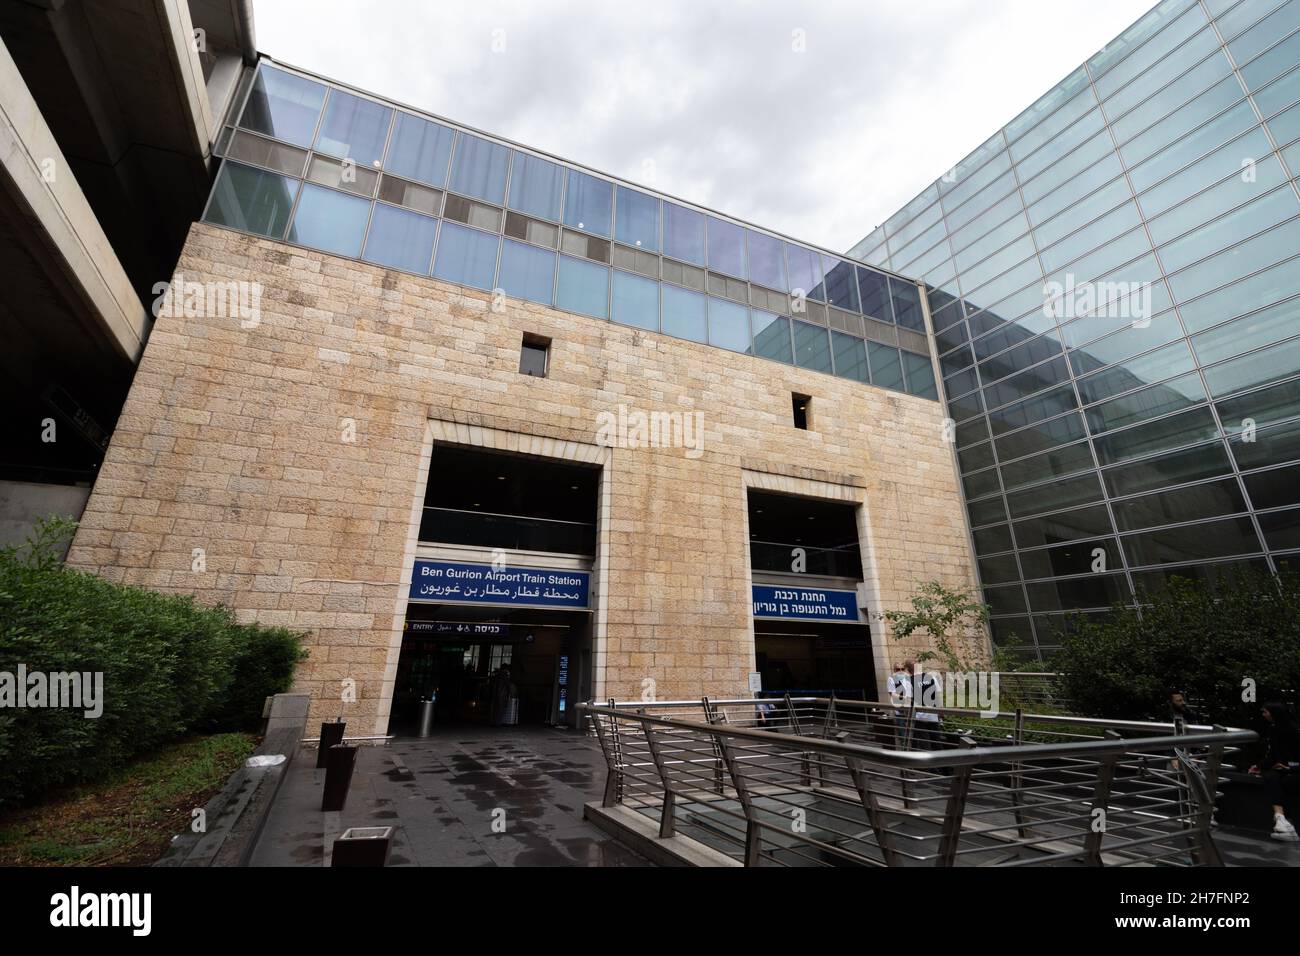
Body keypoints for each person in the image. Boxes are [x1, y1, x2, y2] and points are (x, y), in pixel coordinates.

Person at [1249, 702, 1300, 842]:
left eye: (1265, 712)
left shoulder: (1294, 730)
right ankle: (1281, 818)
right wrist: (1258, 766)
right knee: (1271, 776)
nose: (1263, 715)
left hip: (1294, 768)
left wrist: (1291, 768)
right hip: (1282, 768)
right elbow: (1274, 755)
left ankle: (1283, 820)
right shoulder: (1274, 729)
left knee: (1286, 781)